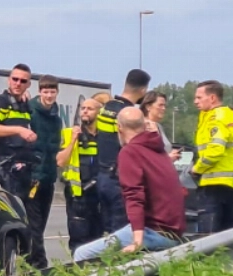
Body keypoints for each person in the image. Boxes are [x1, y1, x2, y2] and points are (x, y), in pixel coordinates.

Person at [72, 107, 185, 262]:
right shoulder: (158, 150)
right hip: (173, 232)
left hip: (152, 232)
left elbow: (134, 196)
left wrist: (137, 241)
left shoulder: (130, 152)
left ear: (119, 128)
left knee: (82, 254)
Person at [96, 69, 151, 233]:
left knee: (106, 231)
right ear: (143, 90)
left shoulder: (106, 108)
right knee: (121, 231)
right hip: (119, 179)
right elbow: (134, 146)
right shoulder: (130, 114)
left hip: (102, 176)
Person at [191, 80, 233, 233]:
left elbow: (216, 149)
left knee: (208, 237)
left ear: (212, 98)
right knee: (228, 235)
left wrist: (197, 169)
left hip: (212, 182)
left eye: (199, 97)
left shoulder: (215, 118)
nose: (195, 101)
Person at [0, 64, 39, 206]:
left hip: (25, 172)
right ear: (9, 80)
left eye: (23, 81)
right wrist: (19, 130)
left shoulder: (24, 105)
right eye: (15, 79)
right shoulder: (2, 102)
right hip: (7, 170)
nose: (18, 83)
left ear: (29, 84)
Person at [24, 76, 63, 268]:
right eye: (45, 92)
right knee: (34, 225)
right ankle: (38, 265)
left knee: (41, 224)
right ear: (40, 92)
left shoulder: (57, 118)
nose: (49, 95)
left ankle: (31, 261)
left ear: (57, 92)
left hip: (48, 177)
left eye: (52, 92)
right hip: (32, 178)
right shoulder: (30, 111)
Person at [57, 98, 103, 252]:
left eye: (90, 108)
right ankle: (79, 272)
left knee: (100, 238)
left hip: (100, 195)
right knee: (79, 240)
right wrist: (73, 141)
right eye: (83, 108)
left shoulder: (106, 137)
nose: (84, 111)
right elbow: (61, 161)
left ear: (99, 112)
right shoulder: (69, 133)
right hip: (78, 195)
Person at [139, 90, 180, 162]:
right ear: (148, 107)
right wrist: (167, 158)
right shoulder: (142, 127)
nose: (164, 108)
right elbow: (144, 157)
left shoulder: (159, 127)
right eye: (160, 105)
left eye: (164, 106)